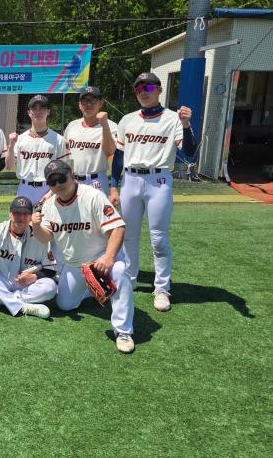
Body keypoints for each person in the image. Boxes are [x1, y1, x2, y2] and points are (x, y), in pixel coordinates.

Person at [109, 72, 196, 311]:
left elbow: (189, 153)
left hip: (158, 180)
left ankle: (162, 288)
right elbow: (119, 156)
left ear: (159, 89)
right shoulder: (127, 119)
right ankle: (130, 279)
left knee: (158, 238)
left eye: (148, 87)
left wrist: (186, 125)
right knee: (128, 235)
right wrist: (114, 184)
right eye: (139, 88)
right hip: (131, 180)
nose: (143, 92)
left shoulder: (173, 118)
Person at [32, 159, 135, 353]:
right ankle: (93, 288)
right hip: (74, 265)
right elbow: (45, 237)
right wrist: (36, 226)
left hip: (101, 259)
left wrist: (109, 258)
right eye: (52, 181)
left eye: (61, 178)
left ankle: (123, 331)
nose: (58, 184)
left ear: (71, 175)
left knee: (120, 271)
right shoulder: (49, 205)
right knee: (65, 305)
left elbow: (118, 228)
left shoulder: (93, 196)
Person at [0, 197, 57, 319]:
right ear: (10, 214)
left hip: (24, 285)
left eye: (25, 214)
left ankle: (0, 299)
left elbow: (51, 269)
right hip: (1, 280)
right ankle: (22, 307)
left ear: (30, 216)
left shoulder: (39, 236)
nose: (21, 217)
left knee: (51, 286)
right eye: (17, 213)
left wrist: (34, 276)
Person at [6, 94, 70, 203]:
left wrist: (51, 193)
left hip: (49, 187)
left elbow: (65, 169)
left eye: (42, 108)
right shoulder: (20, 139)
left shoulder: (59, 139)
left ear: (48, 111)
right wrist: (11, 146)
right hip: (24, 188)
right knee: (21, 215)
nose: (38, 111)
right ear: (29, 112)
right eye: (34, 108)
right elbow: (8, 166)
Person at [64, 86, 117, 195]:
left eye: (93, 100)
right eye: (85, 101)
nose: (88, 104)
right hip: (74, 180)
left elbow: (110, 152)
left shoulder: (111, 126)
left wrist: (104, 125)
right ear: (79, 105)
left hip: (97, 180)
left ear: (101, 103)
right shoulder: (72, 126)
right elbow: (65, 155)